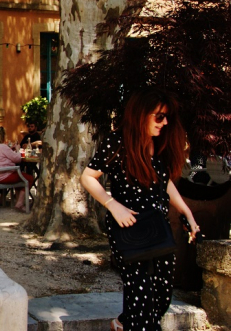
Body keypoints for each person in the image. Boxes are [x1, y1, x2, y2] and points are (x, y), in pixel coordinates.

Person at [80, 87, 200, 331]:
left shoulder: (160, 144)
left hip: (158, 227)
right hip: (128, 226)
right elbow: (88, 177)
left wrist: (187, 212)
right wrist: (113, 205)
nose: (164, 123)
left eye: (167, 117)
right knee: (141, 294)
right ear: (141, 114)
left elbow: (164, 183)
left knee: (162, 295)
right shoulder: (118, 141)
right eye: (159, 117)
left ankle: (123, 323)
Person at [0, 127, 34, 212]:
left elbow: (1, 156)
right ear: (2, 136)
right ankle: (20, 203)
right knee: (29, 178)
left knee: (20, 177)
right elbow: (17, 159)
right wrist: (18, 150)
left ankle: (18, 200)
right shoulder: (2, 146)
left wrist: (10, 150)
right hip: (4, 176)